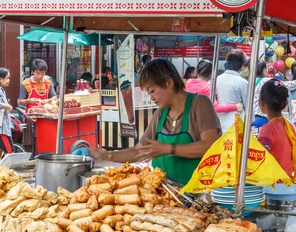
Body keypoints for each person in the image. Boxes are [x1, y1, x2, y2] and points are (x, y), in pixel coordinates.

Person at [88, 59, 221, 185]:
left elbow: (209, 146)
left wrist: (169, 149)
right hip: (165, 192)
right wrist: (105, 155)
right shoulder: (160, 114)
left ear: (169, 83)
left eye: (152, 91)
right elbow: (139, 151)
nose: (151, 98)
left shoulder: (200, 104)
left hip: (197, 192)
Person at [257, 79, 296, 179]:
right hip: (287, 181)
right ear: (285, 103)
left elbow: (261, 156)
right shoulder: (290, 125)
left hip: (273, 185)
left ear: (262, 102)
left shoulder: (267, 130)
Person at [253, 60, 296, 128]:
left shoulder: (251, 81)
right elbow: (287, 85)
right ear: (263, 70)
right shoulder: (267, 81)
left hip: (252, 118)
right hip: (264, 117)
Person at [216, 50, 249, 132]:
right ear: (241, 65)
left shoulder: (217, 79)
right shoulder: (242, 82)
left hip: (219, 121)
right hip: (236, 123)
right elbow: (247, 105)